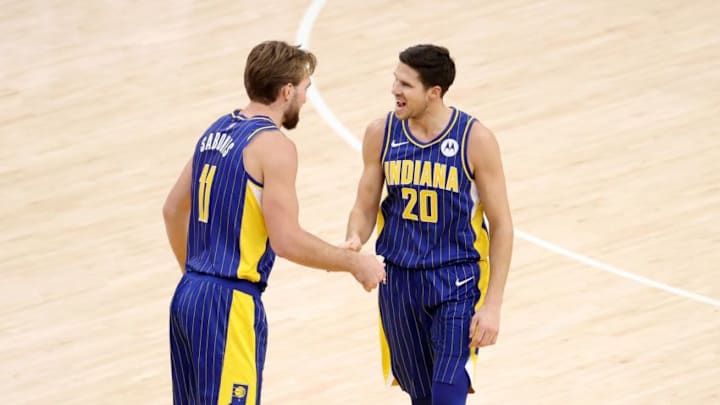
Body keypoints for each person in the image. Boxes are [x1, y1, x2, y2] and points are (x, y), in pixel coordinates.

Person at [162, 40, 386, 405]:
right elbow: (286, 241)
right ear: (286, 92)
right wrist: (353, 262)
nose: (305, 100)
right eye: (304, 90)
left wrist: (197, 278)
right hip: (229, 303)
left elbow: (172, 210)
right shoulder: (274, 146)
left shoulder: (214, 131)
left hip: (188, 297)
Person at [343, 44, 514, 405]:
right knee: (421, 398)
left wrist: (493, 304)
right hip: (400, 281)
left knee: (448, 393)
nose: (394, 90)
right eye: (395, 80)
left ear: (433, 93)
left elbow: (502, 224)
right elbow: (364, 204)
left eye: (405, 84)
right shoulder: (381, 133)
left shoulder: (475, 140)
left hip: (457, 280)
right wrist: (354, 243)